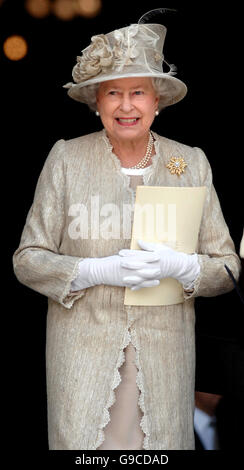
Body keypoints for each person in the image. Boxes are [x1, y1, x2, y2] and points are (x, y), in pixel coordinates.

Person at [12, 13, 241, 450]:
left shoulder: (190, 163)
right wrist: (94, 271)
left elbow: (227, 266)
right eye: (113, 93)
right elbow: (28, 259)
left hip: (164, 362)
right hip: (82, 360)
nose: (126, 105)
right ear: (96, 102)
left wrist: (184, 266)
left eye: (139, 92)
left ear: (158, 102)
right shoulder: (66, 159)